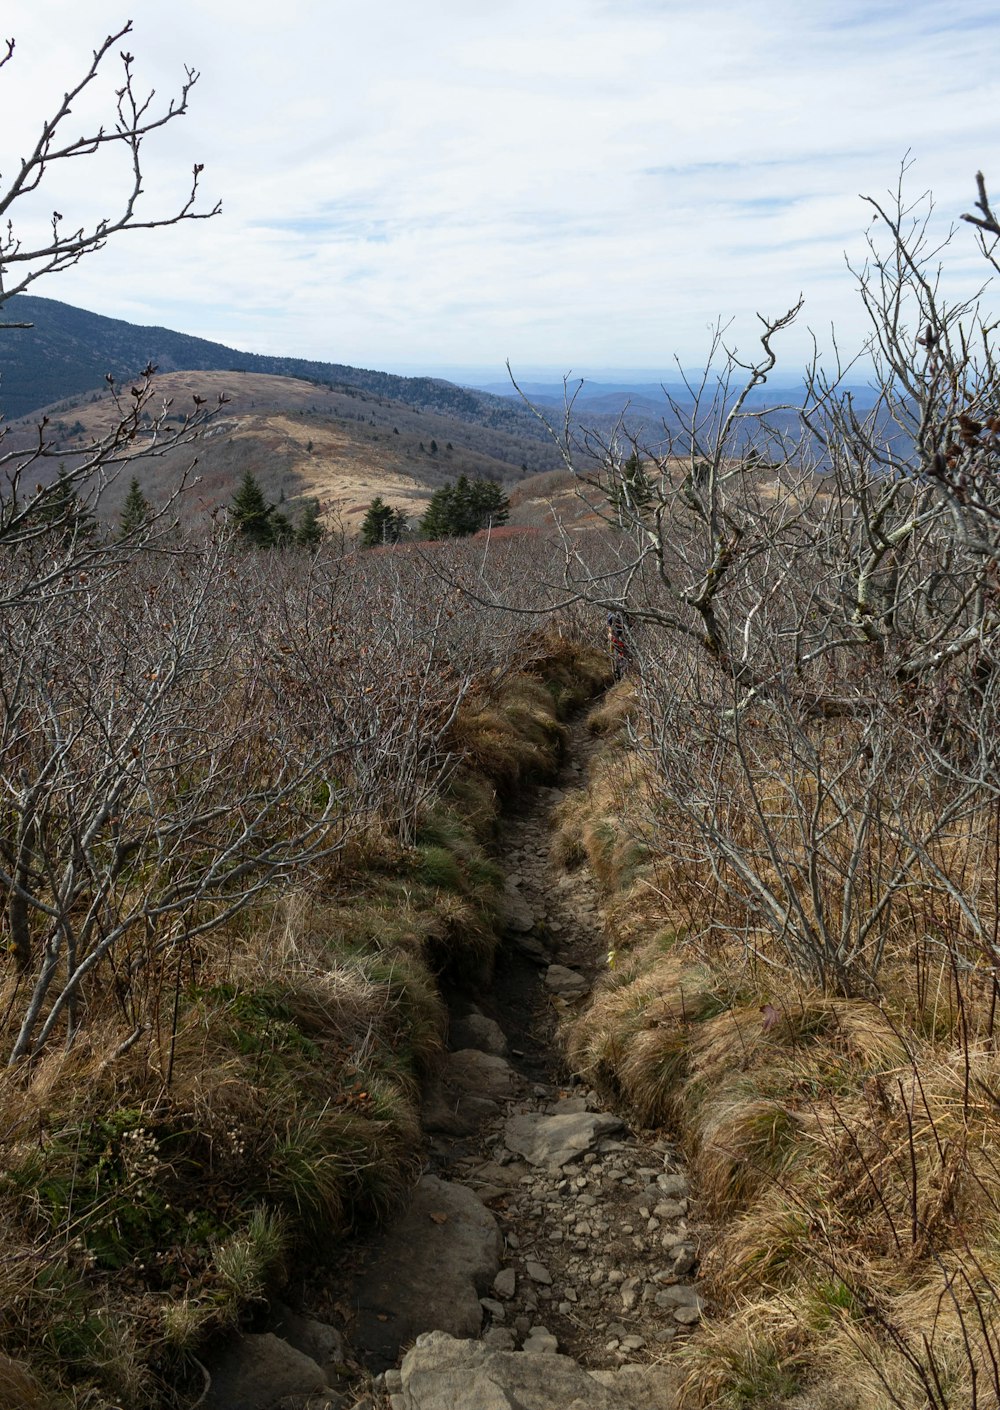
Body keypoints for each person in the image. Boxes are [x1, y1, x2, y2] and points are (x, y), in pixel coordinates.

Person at [606, 610, 631, 679]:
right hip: (615, 636)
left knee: (624, 654)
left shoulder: (625, 612)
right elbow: (609, 624)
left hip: (625, 636)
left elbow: (630, 625)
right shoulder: (611, 613)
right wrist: (610, 633)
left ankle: (624, 671)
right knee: (618, 654)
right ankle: (618, 671)